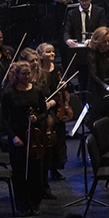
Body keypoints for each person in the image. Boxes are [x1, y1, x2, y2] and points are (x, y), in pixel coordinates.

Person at [1, 60, 48, 216]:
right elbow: (4, 118)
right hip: (17, 136)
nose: (27, 76)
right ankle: (22, 204)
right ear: (17, 75)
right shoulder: (9, 93)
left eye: (29, 74)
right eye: (24, 74)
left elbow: (44, 111)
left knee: (36, 172)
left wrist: (37, 118)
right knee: (20, 172)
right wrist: (13, 136)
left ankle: (35, 203)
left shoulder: (37, 90)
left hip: (34, 135)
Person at [18, 48, 59, 200]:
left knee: (46, 154)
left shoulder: (45, 76)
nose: (35, 63)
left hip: (44, 117)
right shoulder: (21, 79)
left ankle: (45, 186)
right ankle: (32, 188)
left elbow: (57, 96)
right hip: (27, 121)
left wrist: (50, 103)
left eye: (36, 60)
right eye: (32, 61)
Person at [37, 42, 69, 179]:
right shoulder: (37, 72)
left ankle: (56, 167)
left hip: (57, 105)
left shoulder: (58, 68)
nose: (52, 54)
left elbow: (65, 91)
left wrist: (64, 85)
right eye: (48, 52)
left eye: (53, 51)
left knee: (59, 138)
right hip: (44, 109)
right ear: (40, 55)